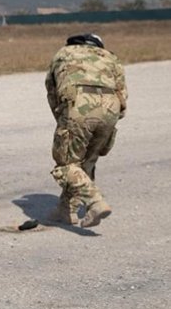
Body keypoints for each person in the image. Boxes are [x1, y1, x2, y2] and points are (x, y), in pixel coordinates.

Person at [45, 33, 127, 228]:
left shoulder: (63, 54)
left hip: (78, 105)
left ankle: (95, 203)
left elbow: (52, 91)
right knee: (86, 162)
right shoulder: (110, 57)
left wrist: (63, 119)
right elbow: (122, 93)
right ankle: (66, 209)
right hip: (110, 107)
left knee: (66, 164)